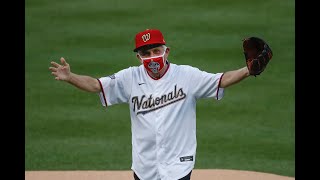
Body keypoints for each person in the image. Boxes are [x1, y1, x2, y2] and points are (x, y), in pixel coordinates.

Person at [49, 29, 251, 180]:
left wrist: (248, 70)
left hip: (177, 166)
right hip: (144, 167)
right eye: (146, 53)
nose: (152, 57)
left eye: (156, 51)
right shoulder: (129, 77)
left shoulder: (187, 75)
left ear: (167, 51)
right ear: (139, 57)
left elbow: (221, 80)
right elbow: (96, 85)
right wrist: (70, 77)